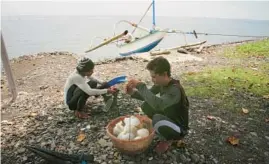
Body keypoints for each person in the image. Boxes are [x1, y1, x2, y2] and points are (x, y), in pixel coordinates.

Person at [126, 56, 189, 152]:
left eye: (154, 77)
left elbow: (158, 104)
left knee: (157, 119)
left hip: (179, 127)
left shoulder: (175, 90)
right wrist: (132, 92)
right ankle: (161, 129)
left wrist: (140, 85)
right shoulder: (161, 84)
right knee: (146, 105)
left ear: (164, 74)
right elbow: (147, 96)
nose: (152, 80)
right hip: (169, 116)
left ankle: (171, 138)